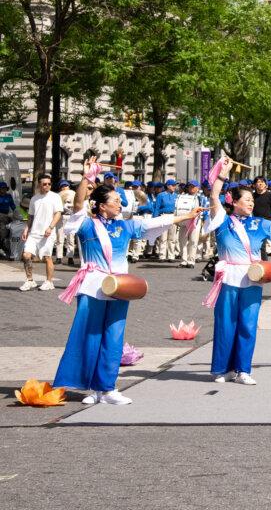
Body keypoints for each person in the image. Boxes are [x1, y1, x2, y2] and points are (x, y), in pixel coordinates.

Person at [54, 157, 200, 405]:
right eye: (114, 201)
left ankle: (108, 388)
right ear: (100, 206)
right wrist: (88, 177)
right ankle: (92, 389)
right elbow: (79, 203)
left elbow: (154, 222)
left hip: (120, 287)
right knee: (91, 336)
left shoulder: (126, 226)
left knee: (114, 336)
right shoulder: (87, 225)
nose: (120, 204)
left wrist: (185, 216)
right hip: (92, 288)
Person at [203, 158, 271, 385]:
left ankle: (243, 370)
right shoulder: (222, 220)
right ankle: (222, 369)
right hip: (229, 278)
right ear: (234, 202)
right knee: (225, 324)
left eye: (253, 200)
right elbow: (214, 197)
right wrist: (223, 175)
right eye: (248, 199)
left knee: (248, 325)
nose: (252, 203)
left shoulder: (259, 223)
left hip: (253, 278)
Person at [20, 174, 64, 291]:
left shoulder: (55, 197)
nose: (47, 186)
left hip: (47, 233)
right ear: (39, 184)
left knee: (47, 257)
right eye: (44, 184)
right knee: (26, 255)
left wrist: (50, 227)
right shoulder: (34, 198)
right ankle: (30, 280)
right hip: (34, 232)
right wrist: (26, 229)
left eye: (49, 184)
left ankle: (49, 282)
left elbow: (58, 213)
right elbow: (31, 216)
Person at [174, 180, 203, 267]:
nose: (191, 188)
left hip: (196, 221)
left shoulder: (201, 197)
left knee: (193, 241)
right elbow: (177, 208)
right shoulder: (182, 197)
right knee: (182, 241)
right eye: (190, 186)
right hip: (185, 220)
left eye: (193, 187)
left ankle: (191, 261)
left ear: (198, 188)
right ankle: (183, 260)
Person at [152, 178, 179, 261]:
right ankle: (162, 256)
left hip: (173, 216)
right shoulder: (161, 195)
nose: (175, 187)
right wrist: (155, 219)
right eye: (173, 185)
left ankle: (171, 256)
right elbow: (156, 208)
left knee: (172, 237)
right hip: (163, 216)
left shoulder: (176, 195)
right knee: (163, 237)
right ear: (168, 186)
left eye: (175, 185)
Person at [54, 179, 77, 265]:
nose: (64, 187)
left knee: (71, 238)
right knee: (60, 237)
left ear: (68, 186)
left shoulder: (74, 194)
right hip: (61, 217)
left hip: (71, 217)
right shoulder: (57, 196)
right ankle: (59, 257)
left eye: (66, 186)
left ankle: (70, 257)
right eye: (62, 186)